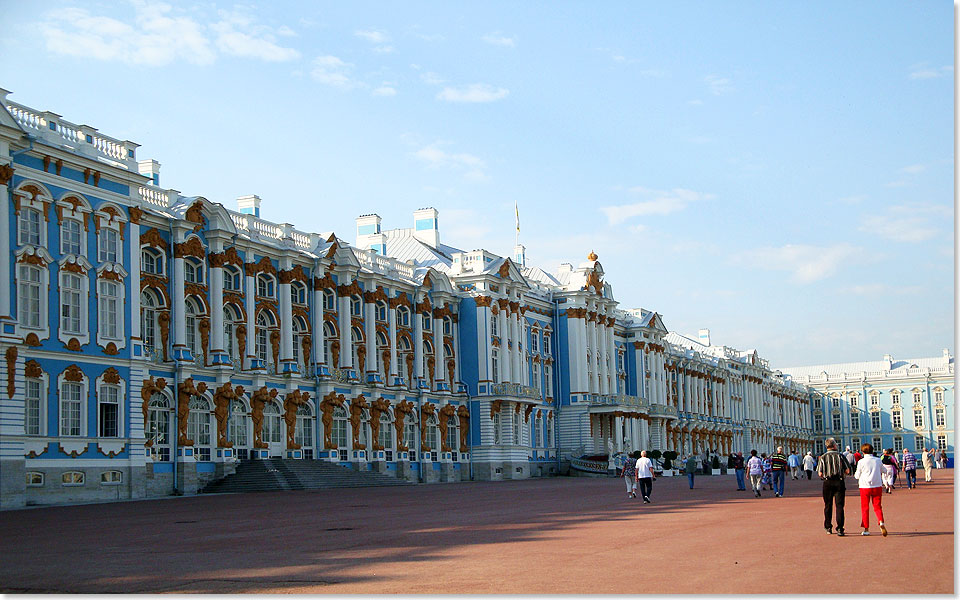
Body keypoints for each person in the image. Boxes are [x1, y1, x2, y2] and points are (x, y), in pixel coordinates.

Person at [817, 437, 851, 536]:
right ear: (835, 445)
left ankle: (828, 527)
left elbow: (819, 473)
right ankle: (840, 528)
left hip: (827, 482)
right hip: (839, 482)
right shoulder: (840, 456)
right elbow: (848, 470)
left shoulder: (822, 457)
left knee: (828, 505)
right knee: (839, 506)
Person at [853, 443, 887, 536]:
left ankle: (866, 528)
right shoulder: (878, 460)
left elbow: (857, 475)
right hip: (877, 485)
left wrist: (857, 475)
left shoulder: (861, 462)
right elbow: (884, 470)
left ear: (863, 452)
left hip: (864, 486)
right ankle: (881, 521)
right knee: (877, 506)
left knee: (865, 507)